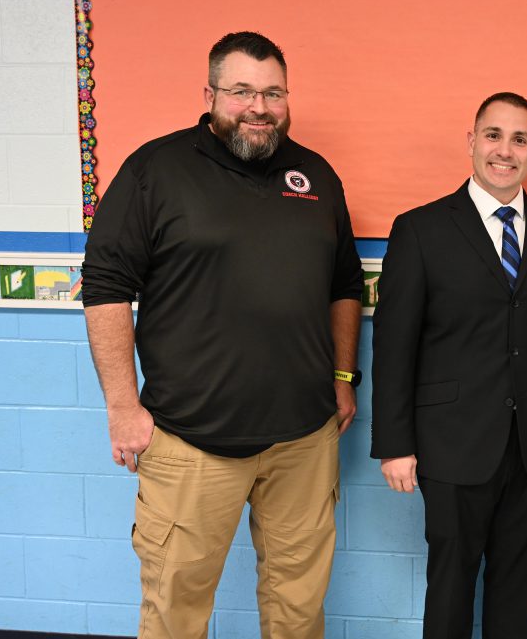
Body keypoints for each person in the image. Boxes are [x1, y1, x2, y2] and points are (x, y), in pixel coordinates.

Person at [81, 31, 364, 639]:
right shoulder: (156, 169)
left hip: (303, 443)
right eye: (241, 91)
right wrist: (121, 404)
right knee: (175, 613)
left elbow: (345, 286)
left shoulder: (315, 175)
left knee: (298, 610)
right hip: (190, 442)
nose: (258, 107)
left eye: (272, 93)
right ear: (209, 93)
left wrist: (343, 376)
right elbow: (105, 284)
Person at [370, 92, 527, 639]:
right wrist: (394, 442)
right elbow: (393, 342)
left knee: (519, 589)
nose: (505, 150)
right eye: (493, 135)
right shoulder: (420, 229)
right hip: (451, 444)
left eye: (519, 139)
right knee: (451, 586)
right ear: (472, 141)